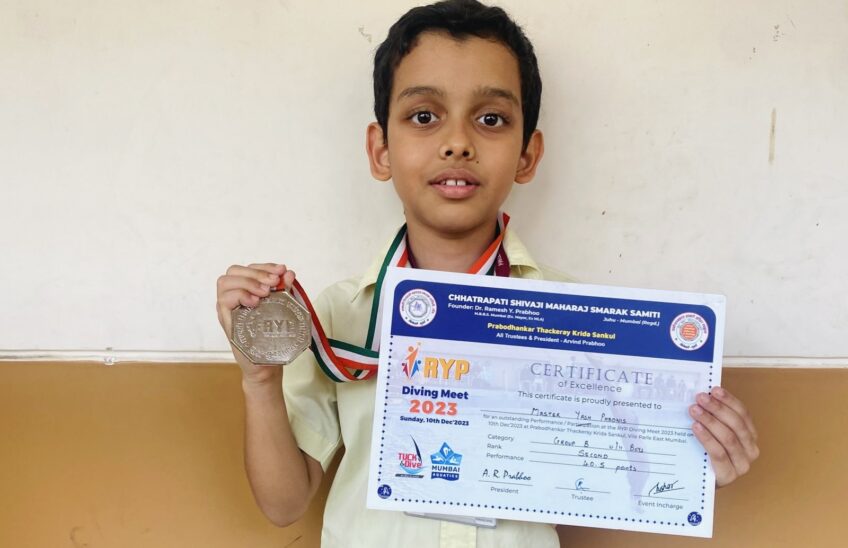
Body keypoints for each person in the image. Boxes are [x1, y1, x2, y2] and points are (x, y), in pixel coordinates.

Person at [215, 1, 759, 546]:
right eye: (424, 116)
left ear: (527, 155)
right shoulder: (334, 316)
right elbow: (285, 504)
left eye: (491, 119)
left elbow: (625, 463)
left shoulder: (580, 319)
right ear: (380, 151)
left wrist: (697, 456)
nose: (458, 143)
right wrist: (259, 380)